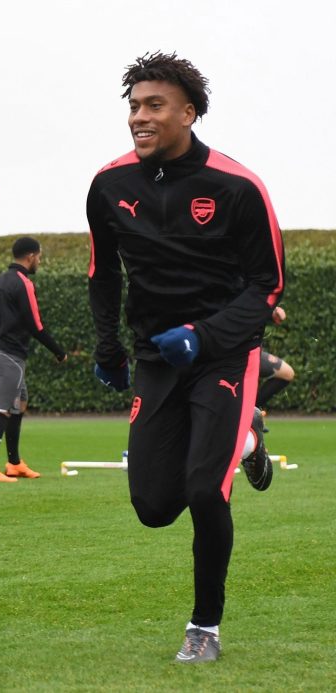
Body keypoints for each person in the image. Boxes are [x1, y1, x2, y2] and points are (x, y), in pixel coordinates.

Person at [87, 52, 284, 663]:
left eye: (154, 106)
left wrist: (205, 333)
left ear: (189, 113)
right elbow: (102, 274)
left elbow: (267, 287)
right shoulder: (109, 184)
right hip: (155, 357)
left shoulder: (238, 186)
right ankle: (248, 440)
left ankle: (205, 628)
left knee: (205, 489)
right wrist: (109, 345)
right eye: (134, 106)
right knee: (152, 507)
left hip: (223, 354)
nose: (138, 118)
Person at [0, 236, 67, 483]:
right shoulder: (23, 283)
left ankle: (14, 463)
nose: (39, 261)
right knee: (1, 410)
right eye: (39, 256)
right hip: (9, 357)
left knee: (20, 402)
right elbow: (35, 325)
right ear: (30, 256)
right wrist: (59, 351)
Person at [256, 306, 295, 410]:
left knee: (287, 373)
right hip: (234, 354)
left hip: (254, 352)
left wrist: (272, 314)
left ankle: (253, 410)